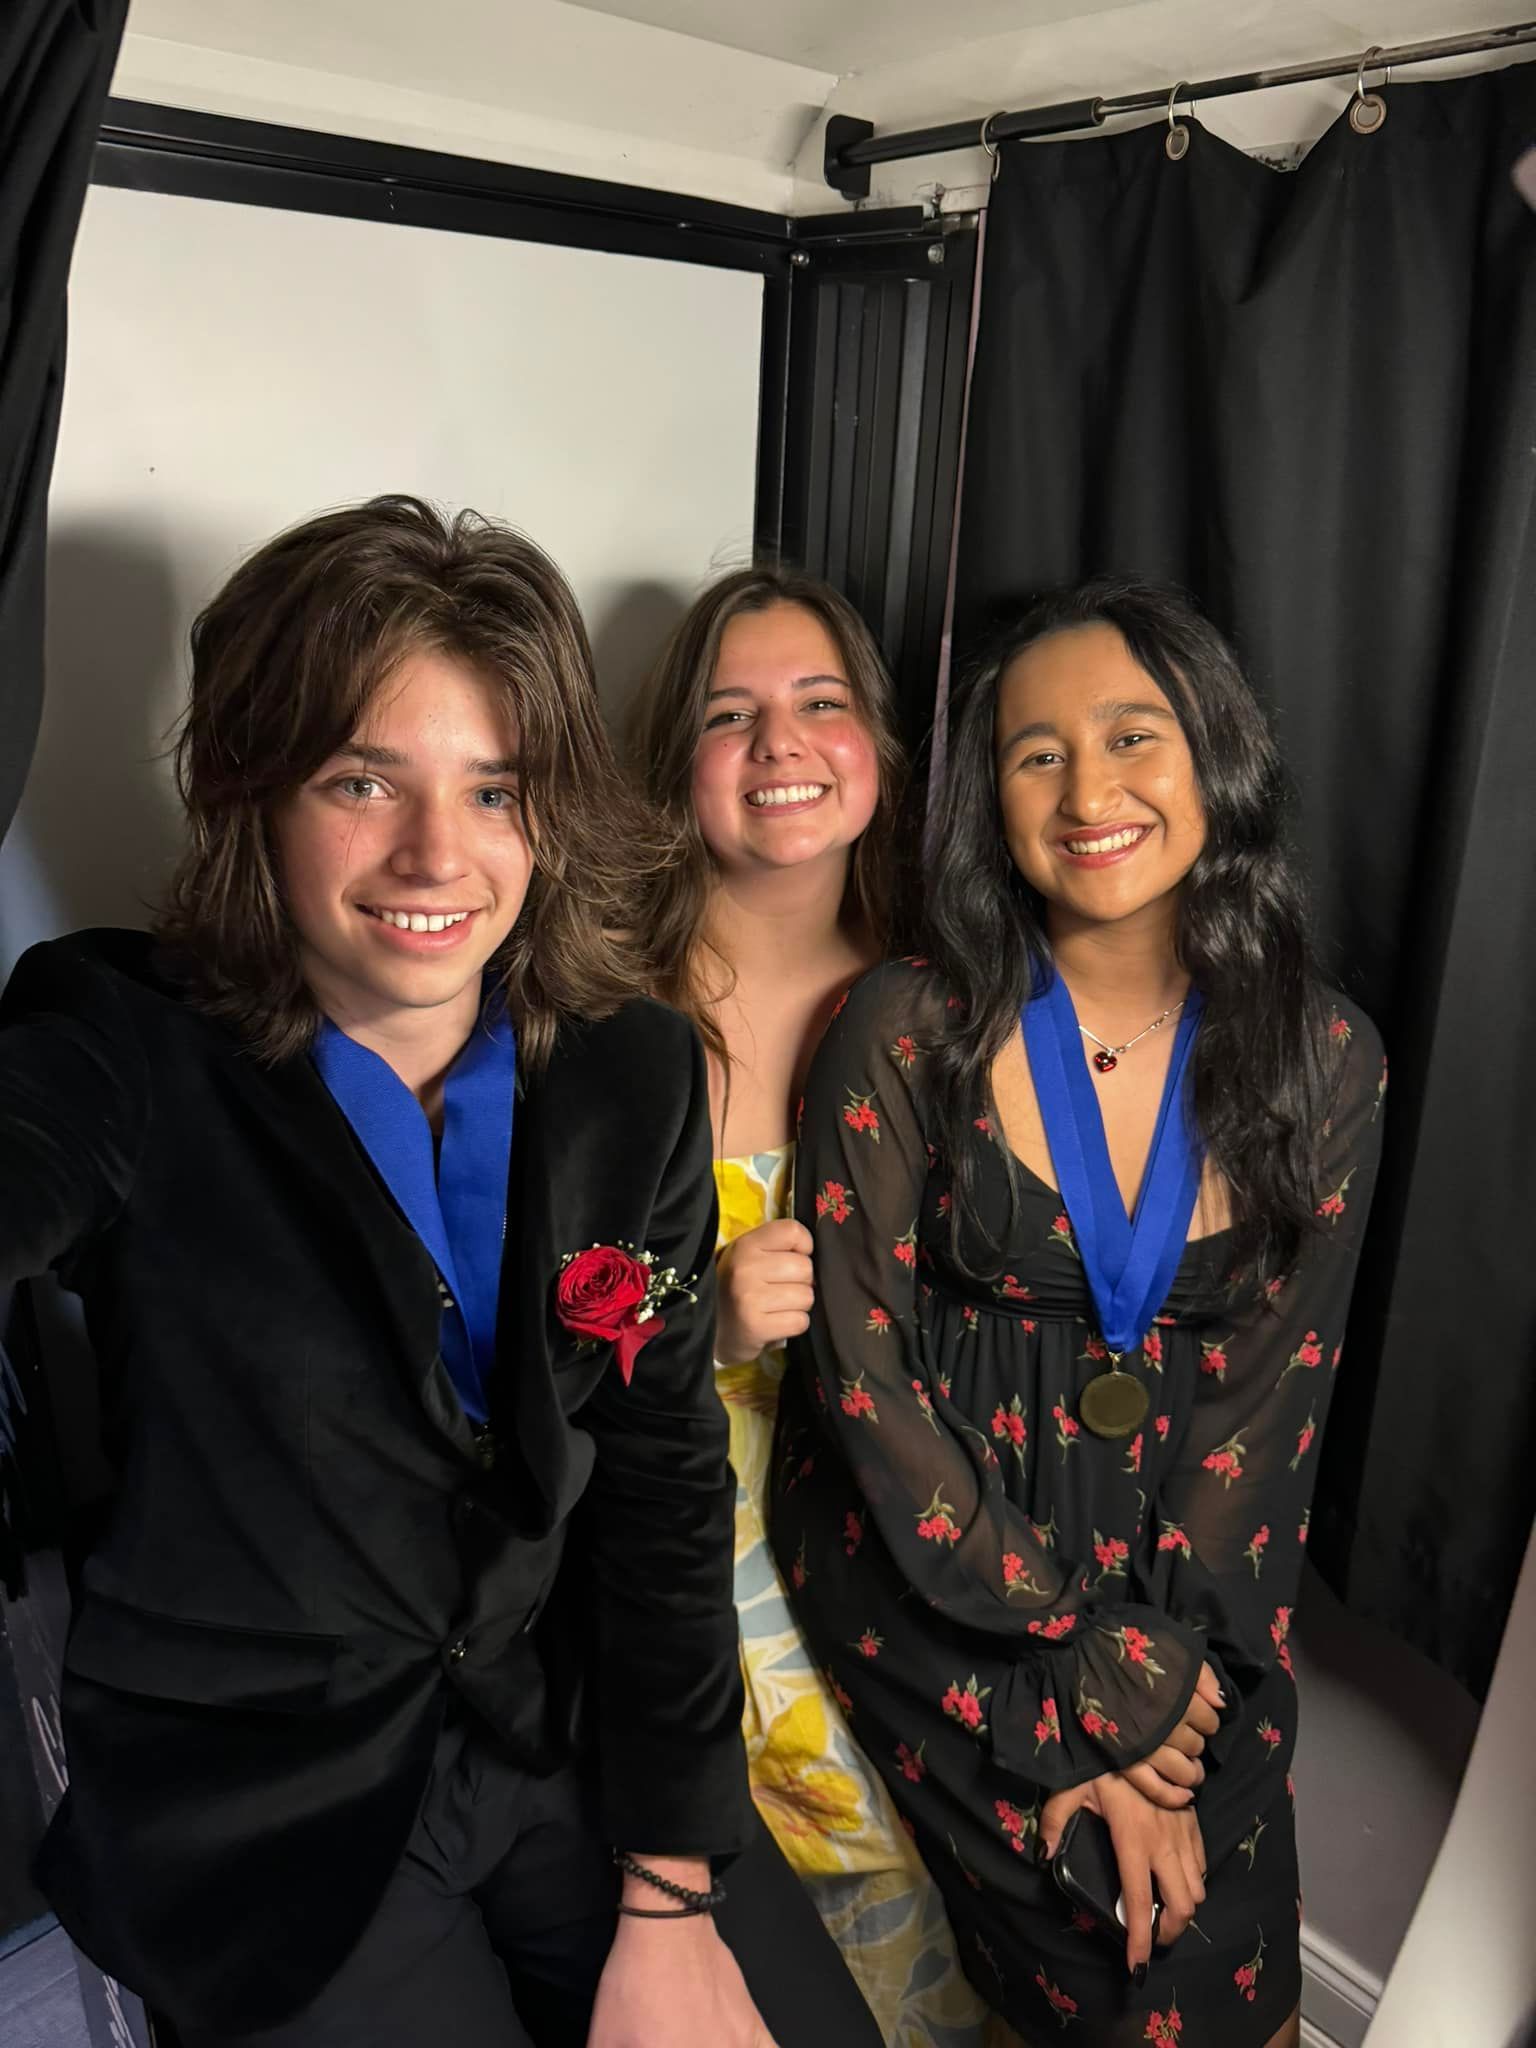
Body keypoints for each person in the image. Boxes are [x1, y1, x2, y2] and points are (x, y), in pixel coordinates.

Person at [0, 496, 869, 2048]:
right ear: (251, 792)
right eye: (361, 780)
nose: (436, 855)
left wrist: (669, 1897)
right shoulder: (120, 1040)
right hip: (274, 1805)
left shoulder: (634, 1075)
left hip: (561, 1737)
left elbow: (664, 1482)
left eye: (495, 789)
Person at [770, 576, 1387, 2048]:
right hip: (936, 1576)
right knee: (1113, 1964)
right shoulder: (902, 1028)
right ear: (992, 795)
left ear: (1215, 756)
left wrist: (1166, 1687)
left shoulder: (1327, 1056)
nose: (1089, 789)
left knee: (1238, 1956)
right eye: (1037, 753)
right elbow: (866, 1389)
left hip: (1191, 1594)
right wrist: (1066, 1658)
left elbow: (1265, 1421)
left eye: (1134, 737)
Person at [628, 566, 989, 2045]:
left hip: (906, 1540)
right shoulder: (605, 1021)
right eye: (732, 714)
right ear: (680, 771)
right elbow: (514, 1353)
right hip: (689, 1549)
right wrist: (697, 1330)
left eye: (819, 704)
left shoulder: (946, 1013)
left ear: (881, 754)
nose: (780, 743)